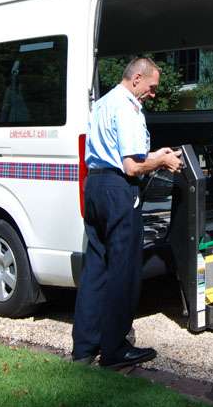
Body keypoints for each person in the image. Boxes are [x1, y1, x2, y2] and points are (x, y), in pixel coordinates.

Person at [71, 57, 183, 369]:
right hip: (119, 191)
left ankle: (84, 347)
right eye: (151, 87)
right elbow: (132, 166)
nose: (153, 93)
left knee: (95, 269)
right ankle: (115, 350)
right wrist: (161, 160)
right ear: (136, 78)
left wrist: (155, 157)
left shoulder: (104, 103)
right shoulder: (128, 108)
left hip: (94, 187)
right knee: (123, 271)